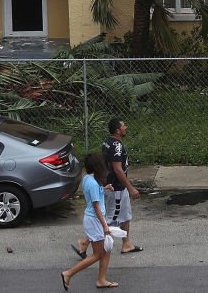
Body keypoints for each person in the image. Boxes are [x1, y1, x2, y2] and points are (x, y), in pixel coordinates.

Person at [62, 153, 118, 290]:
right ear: (98, 166)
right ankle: (68, 274)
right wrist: (105, 225)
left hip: (93, 220)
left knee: (106, 249)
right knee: (98, 254)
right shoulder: (93, 183)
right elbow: (96, 206)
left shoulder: (88, 178)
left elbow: (94, 195)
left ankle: (101, 279)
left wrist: (104, 189)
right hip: (95, 221)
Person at [102, 117, 142, 254]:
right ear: (118, 130)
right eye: (124, 126)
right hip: (116, 189)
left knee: (125, 216)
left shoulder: (107, 142)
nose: (126, 127)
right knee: (110, 220)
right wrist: (131, 188)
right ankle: (85, 242)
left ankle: (126, 243)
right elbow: (118, 169)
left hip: (117, 187)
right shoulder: (117, 146)